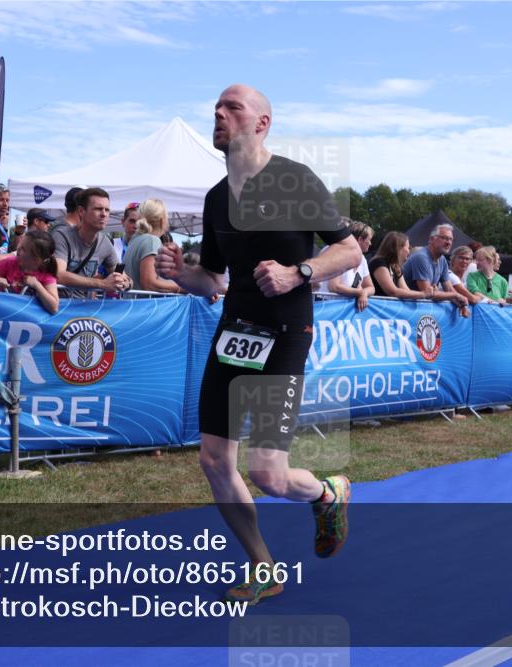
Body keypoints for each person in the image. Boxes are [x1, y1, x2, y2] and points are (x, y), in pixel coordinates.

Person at [155, 84, 361, 605]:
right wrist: (184, 274)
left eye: (232, 108)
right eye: (216, 109)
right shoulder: (216, 197)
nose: (219, 115)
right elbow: (214, 280)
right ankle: (263, 566)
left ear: (262, 123)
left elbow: (350, 249)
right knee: (212, 459)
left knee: (267, 472)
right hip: (234, 333)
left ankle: (326, 492)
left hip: (287, 332)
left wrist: (300, 272)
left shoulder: (293, 179)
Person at [52, 187, 131, 294]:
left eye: (107, 210)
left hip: (86, 307)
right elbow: (59, 275)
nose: (104, 214)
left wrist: (126, 283)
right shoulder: (62, 236)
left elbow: (122, 275)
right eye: (98, 209)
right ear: (81, 211)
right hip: (60, 307)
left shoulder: (105, 242)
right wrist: (102, 284)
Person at [402, 224, 470, 312]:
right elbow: (427, 293)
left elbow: (449, 289)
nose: (448, 242)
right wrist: (455, 296)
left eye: (451, 239)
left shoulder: (442, 260)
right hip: (406, 308)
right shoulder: (421, 257)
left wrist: (461, 305)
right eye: (444, 238)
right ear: (431, 239)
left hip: (419, 309)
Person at [0, 229, 60, 314]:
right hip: (1, 314)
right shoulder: (8, 263)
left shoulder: (46, 274)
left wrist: (37, 285)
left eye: (23, 248)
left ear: (36, 260)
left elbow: (54, 308)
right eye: (20, 244)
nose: (18, 249)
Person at [123, 199, 182, 293]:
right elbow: (149, 284)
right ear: (163, 221)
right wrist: (183, 288)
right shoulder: (151, 240)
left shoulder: (134, 240)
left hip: (134, 304)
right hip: (147, 306)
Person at [322, 219, 374, 311]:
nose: (370, 243)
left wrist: (364, 293)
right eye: (369, 240)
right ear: (360, 239)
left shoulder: (362, 259)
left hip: (342, 310)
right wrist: (360, 292)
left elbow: (371, 287)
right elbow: (334, 287)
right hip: (326, 307)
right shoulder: (339, 253)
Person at [368, 231, 421, 299]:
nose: (409, 251)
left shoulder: (395, 266)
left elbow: (406, 290)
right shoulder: (379, 263)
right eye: (408, 247)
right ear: (398, 248)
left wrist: (424, 294)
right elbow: (393, 292)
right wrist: (423, 294)